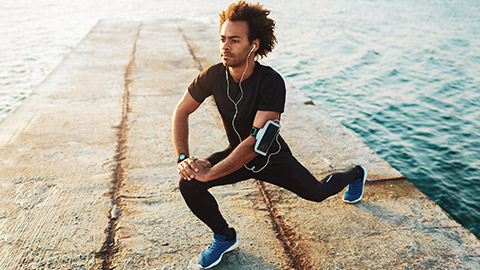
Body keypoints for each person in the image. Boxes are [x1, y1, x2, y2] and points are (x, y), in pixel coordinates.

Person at [172, 1, 367, 268]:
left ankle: (356, 174)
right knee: (190, 183)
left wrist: (211, 171)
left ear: (254, 44)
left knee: (318, 193)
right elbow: (181, 111)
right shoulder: (213, 76)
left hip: (271, 158)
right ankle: (224, 236)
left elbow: (255, 145)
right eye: (223, 39)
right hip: (235, 152)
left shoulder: (271, 82)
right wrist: (184, 157)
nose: (225, 47)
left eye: (234, 40)